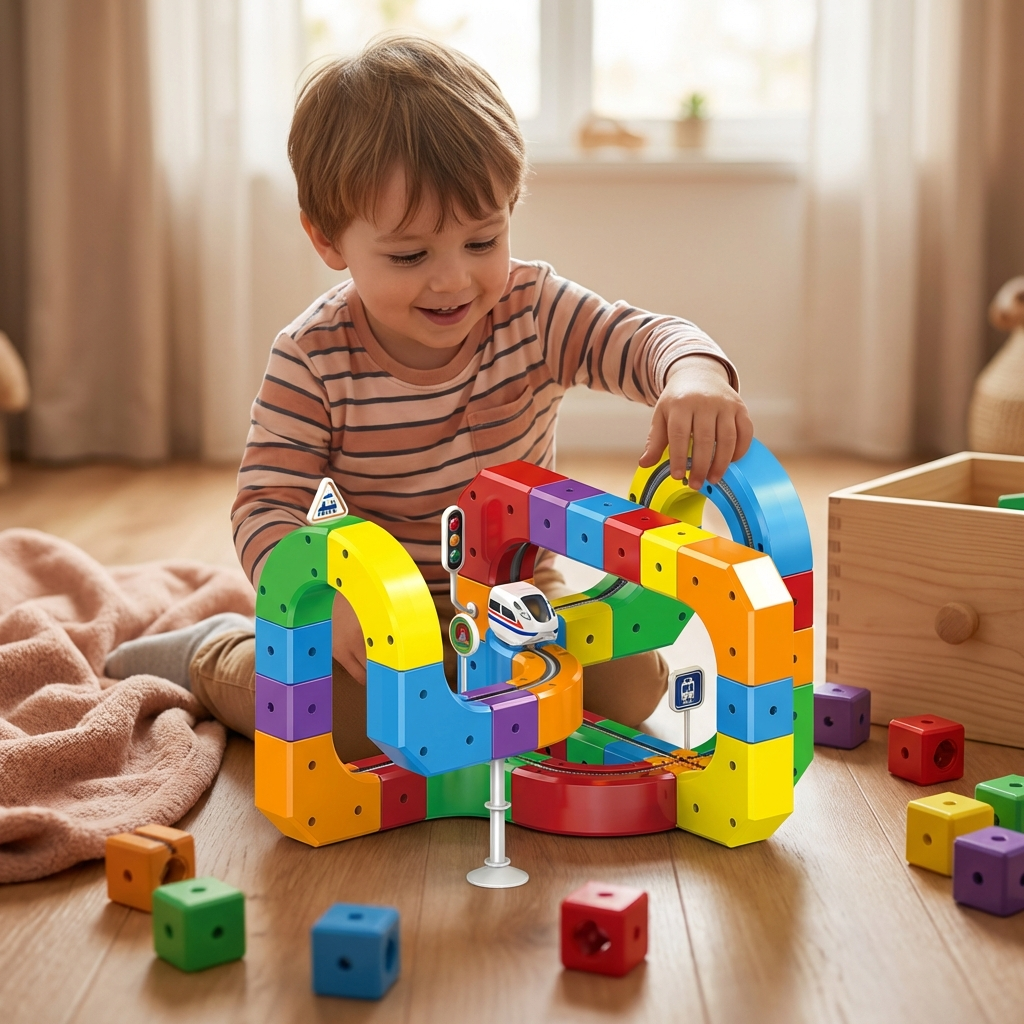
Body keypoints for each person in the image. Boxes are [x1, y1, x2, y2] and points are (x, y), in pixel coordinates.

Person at [106, 36, 752, 761]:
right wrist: (330, 602)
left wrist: (694, 370)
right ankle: (213, 650)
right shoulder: (311, 356)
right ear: (327, 240)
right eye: (410, 256)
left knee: (632, 692)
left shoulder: (535, 308)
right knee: (338, 725)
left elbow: (641, 339)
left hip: (515, 606)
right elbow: (265, 505)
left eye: (483, 241)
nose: (453, 281)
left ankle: (477, 701)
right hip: (372, 627)